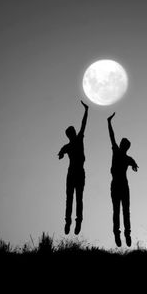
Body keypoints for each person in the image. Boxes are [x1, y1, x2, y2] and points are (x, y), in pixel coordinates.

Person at [107, 112, 139, 247]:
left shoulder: (124, 156)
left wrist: (134, 165)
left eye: (122, 144)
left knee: (123, 211)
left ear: (125, 146)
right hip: (118, 185)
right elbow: (112, 136)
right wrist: (109, 123)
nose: (120, 144)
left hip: (121, 186)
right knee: (120, 211)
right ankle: (119, 235)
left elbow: (134, 163)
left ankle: (125, 234)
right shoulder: (121, 154)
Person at [58, 101, 89, 235]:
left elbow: (83, 124)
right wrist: (61, 154)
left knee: (74, 198)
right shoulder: (71, 144)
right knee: (73, 198)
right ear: (70, 134)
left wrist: (86, 111)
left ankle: (75, 222)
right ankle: (70, 222)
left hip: (76, 173)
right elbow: (61, 151)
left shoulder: (75, 142)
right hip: (73, 174)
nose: (75, 132)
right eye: (73, 132)